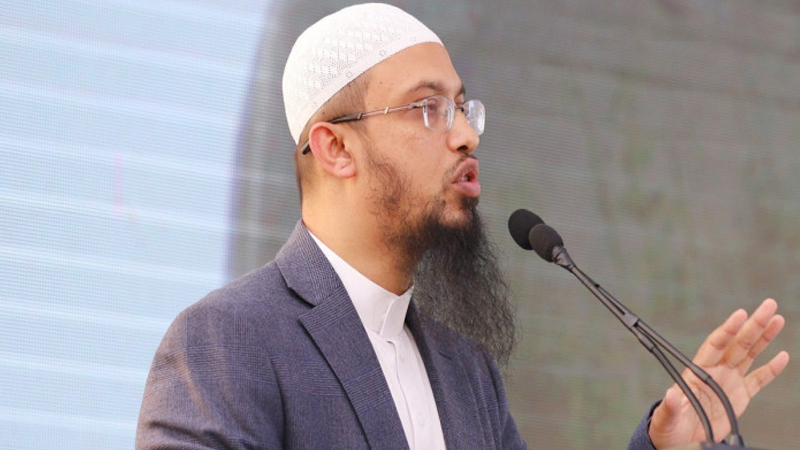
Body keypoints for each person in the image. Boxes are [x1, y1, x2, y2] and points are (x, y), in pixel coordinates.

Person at [135, 4, 789, 449]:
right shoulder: (227, 342)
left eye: (461, 107)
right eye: (427, 109)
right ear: (335, 149)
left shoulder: (464, 370)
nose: (466, 136)